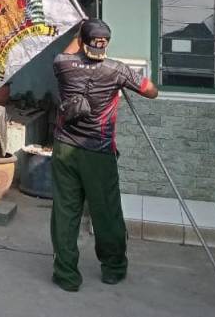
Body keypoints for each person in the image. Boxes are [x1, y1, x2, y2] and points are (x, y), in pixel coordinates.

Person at [50, 18, 159, 292]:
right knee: (106, 212)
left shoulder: (62, 64)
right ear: (106, 43)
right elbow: (151, 91)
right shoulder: (116, 70)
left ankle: (66, 274)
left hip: (65, 148)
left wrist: (80, 30)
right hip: (98, 151)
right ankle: (113, 269)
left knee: (65, 211)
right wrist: (122, 82)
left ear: (82, 39)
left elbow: (69, 51)